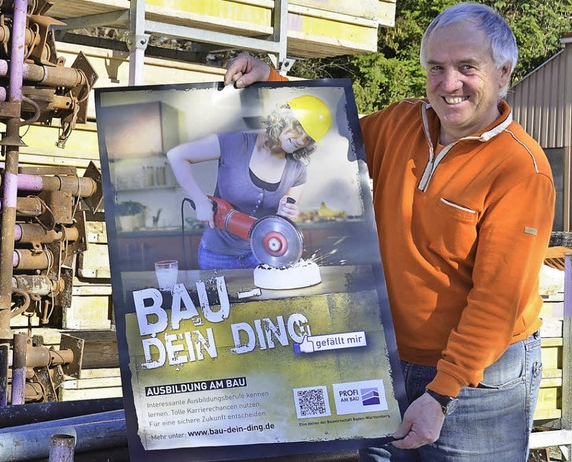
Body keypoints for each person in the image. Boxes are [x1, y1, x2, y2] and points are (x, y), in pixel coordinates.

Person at [224, 3, 555, 461]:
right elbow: (329, 137)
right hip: (386, 363)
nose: (449, 83)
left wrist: (442, 394)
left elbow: (498, 301)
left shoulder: (521, 169)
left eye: (466, 68)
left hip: (478, 385)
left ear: (503, 72)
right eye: (436, 68)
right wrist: (272, 83)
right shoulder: (402, 122)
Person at [167, 95, 332, 270]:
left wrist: (286, 215)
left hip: (261, 257)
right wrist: (200, 201)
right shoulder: (234, 143)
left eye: (309, 138)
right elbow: (177, 155)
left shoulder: (297, 170)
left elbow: (280, 226)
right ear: (284, 118)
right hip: (216, 256)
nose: (301, 140)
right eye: (299, 128)